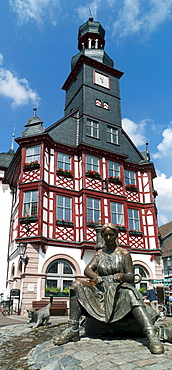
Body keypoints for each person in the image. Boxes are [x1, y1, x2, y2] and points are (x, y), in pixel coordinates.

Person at [53, 223, 164, 354]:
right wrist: (95, 277)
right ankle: (73, 330)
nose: (108, 238)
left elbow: (131, 276)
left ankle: (151, 334)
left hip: (119, 289)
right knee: (76, 285)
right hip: (101, 289)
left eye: (111, 235)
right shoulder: (99, 254)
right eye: (105, 235)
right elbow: (87, 269)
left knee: (130, 293)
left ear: (116, 236)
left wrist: (122, 276)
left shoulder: (124, 254)